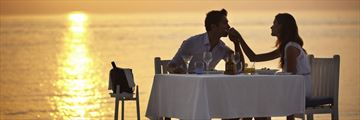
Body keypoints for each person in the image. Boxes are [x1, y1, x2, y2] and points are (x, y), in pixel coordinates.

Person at [228, 13, 311, 120]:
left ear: (282, 27)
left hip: (299, 91)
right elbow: (254, 57)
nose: (271, 27)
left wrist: (273, 77)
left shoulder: (291, 47)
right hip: (294, 88)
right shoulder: (286, 46)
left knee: (256, 99)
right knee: (256, 99)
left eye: (274, 24)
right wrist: (239, 40)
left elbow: (291, 76)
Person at [168, 9, 244, 75]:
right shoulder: (191, 42)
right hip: (188, 85)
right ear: (213, 27)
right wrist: (176, 70)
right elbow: (170, 66)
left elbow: (238, 68)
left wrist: (236, 43)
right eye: (225, 23)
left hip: (207, 85)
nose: (228, 26)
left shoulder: (223, 48)